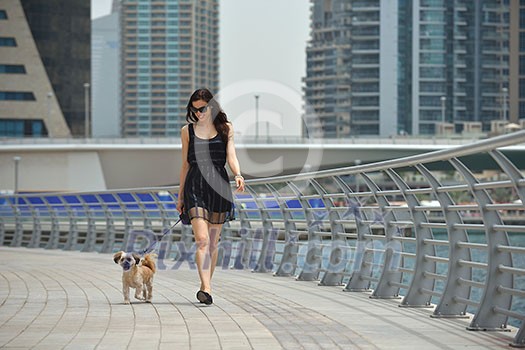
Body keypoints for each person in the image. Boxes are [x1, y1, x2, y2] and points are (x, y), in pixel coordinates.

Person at [176, 88, 245, 305]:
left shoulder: (226, 128)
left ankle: (207, 286)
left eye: (202, 109)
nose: (198, 113)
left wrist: (238, 174)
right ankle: (205, 286)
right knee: (203, 240)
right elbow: (185, 164)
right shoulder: (187, 131)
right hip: (195, 185)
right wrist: (180, 197)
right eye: (194, 110)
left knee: (213, 242)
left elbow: (231, 155)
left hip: (219, 185)